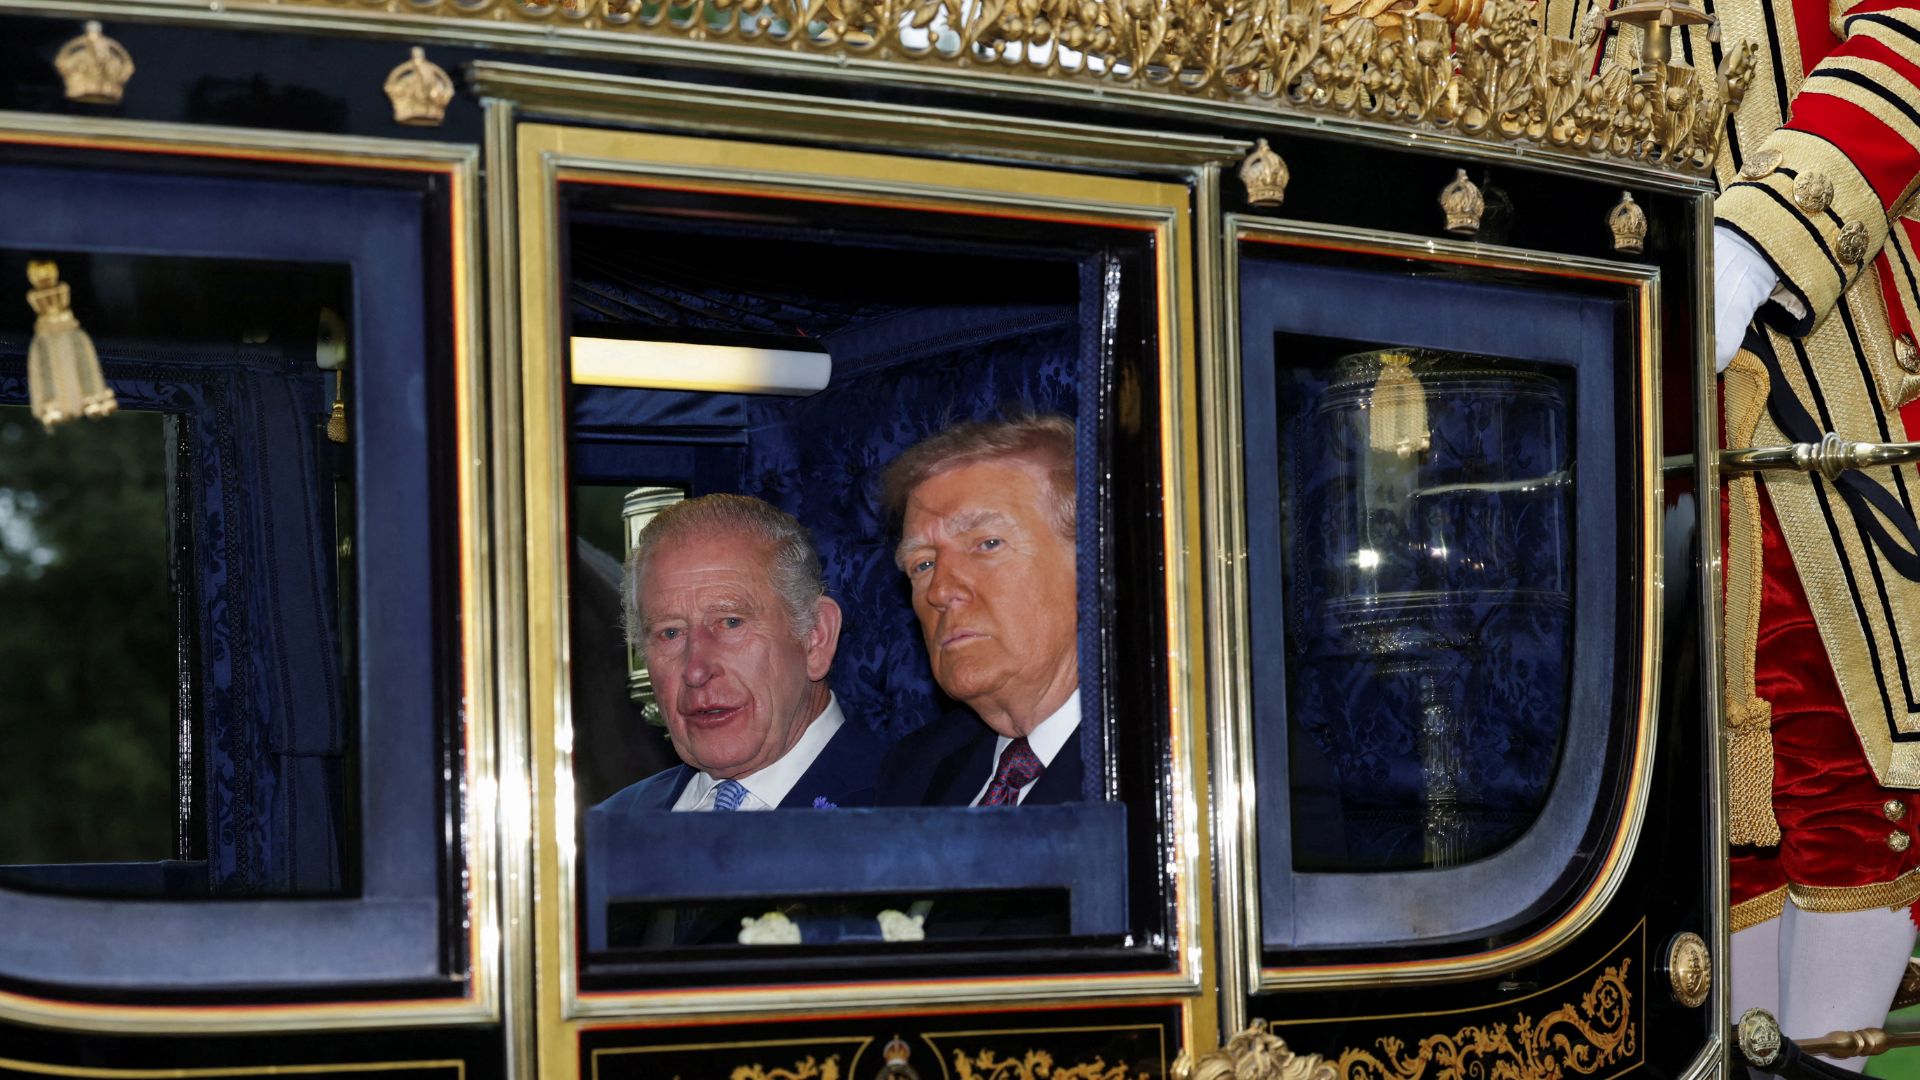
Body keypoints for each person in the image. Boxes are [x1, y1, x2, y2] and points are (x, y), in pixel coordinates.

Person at [1658, 0, 1920, 1061]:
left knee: (1845, 752)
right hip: (1622, 392)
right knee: (1686, 785)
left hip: (1839, 378)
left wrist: (1757, 244)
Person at [595, 494, 887, 815]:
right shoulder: (608, 829)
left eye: (731, 623)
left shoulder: (911, 809)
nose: (695, 671)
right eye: (670, 633)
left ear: (815, 637)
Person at [876, 414, 1086, 806]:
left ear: (1092, 563)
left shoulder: (1171, 767)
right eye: (922, 564)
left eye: (987, 544)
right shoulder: (914, 771)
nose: (940, 590)